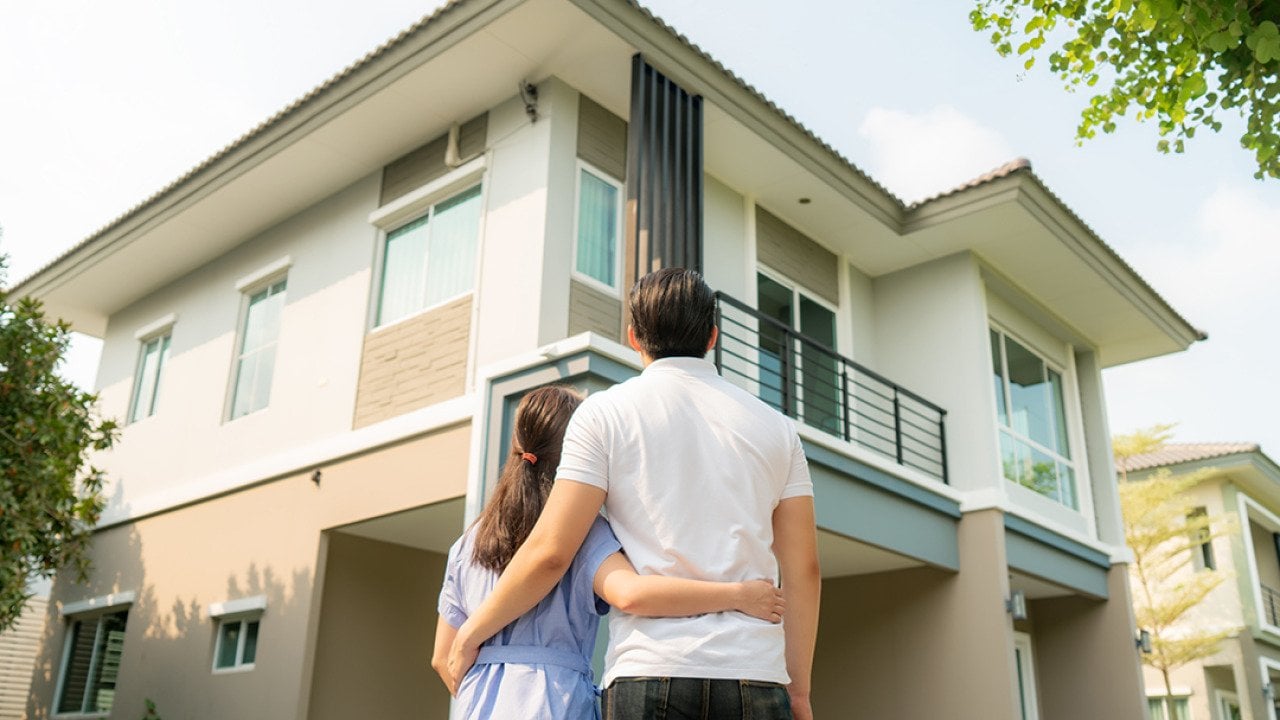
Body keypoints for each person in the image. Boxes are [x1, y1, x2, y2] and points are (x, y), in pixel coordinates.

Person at [446, 268, 821, 720]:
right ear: (713, 336)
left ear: (633, 338)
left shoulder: (604, 414)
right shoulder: (778, 429)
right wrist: (797, 692)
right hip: (755, 673)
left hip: (649, 671)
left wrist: (470, 634)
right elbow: (804, 569)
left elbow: (550, 553)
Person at [431, 385, 787, 719]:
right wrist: (739, 595)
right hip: (555, 701)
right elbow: (631, 594)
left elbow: (441, 658)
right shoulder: (580, 533)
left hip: (477, 704)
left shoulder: (469, 542)